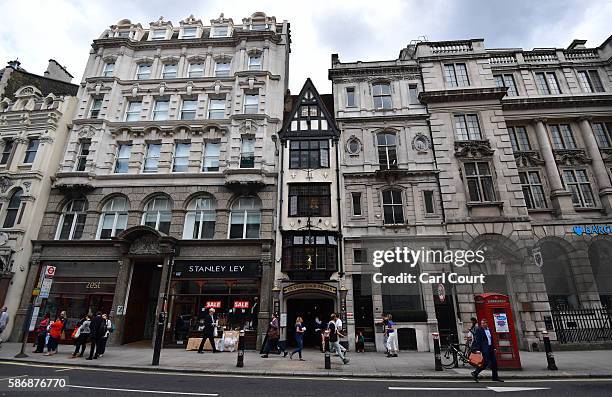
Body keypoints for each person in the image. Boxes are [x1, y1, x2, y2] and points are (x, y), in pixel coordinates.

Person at [470, 318, 504, 383]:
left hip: (490, 348)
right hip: (484, 349)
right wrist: (477, 350)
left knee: (494, 363)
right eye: (482, 323)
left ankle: (495, 377)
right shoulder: (479, 330)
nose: (482, 324)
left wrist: (494, 348)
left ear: (487, 324)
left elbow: (491, 339)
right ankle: (475, 372)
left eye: (484, 323)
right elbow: (477, 340)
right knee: (486, 362)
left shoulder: (489, 330)